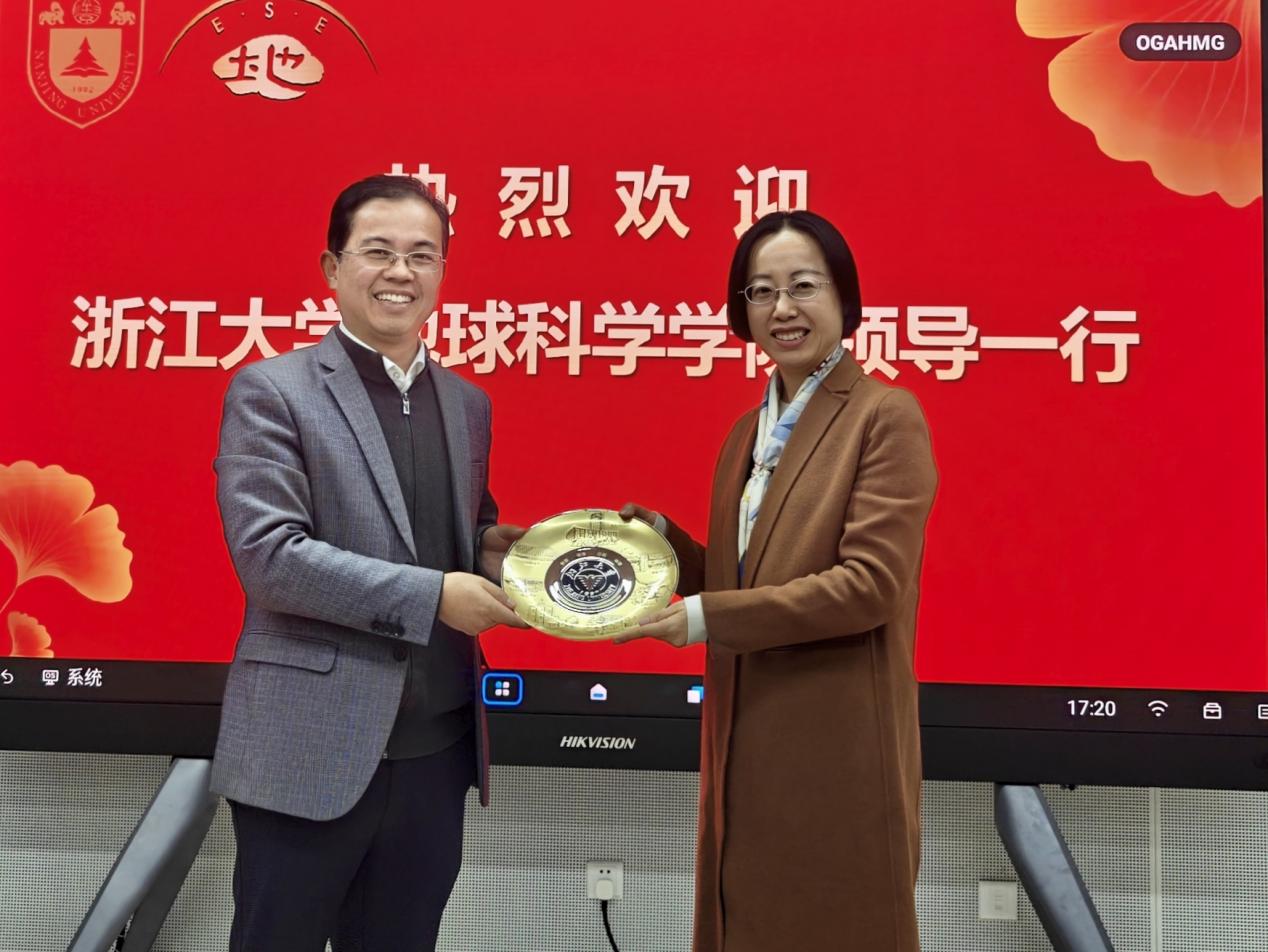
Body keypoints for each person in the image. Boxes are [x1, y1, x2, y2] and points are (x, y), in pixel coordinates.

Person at [210, 174, 526, 951]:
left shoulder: (468, 404)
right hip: (306, 748)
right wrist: (435, 596)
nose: (401, 273)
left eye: (422, 255)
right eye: (378, 251)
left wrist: (515, 556)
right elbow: (271, 559)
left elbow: (462, 533)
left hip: (434, 751)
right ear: (332, 267)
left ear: (443, 270)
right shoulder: (272, 391)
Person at [618, 210, 937, 952]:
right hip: (742, 738)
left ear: (843, 297)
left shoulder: (885, 416)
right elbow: (748, 580)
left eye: (803, 287)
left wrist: (702, 618)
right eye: (761, 291)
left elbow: (870, 586)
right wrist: (665, 547)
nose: (782, 309)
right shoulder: (746, 433)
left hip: (835, 747)